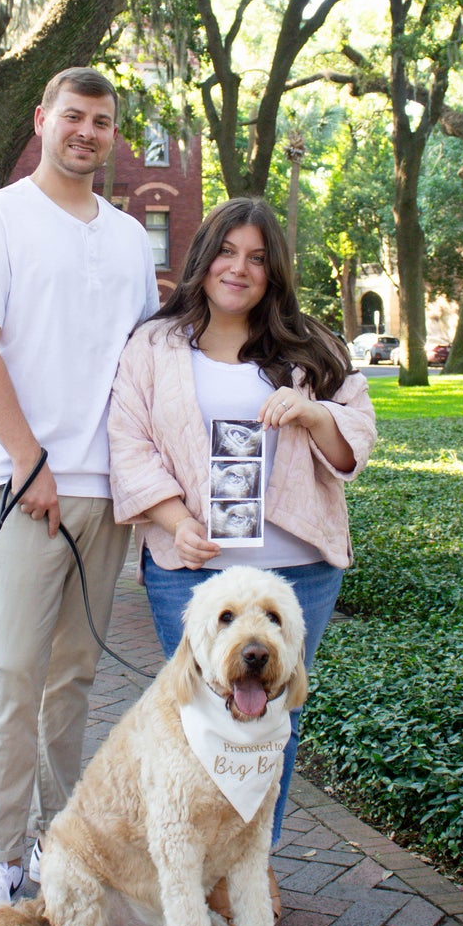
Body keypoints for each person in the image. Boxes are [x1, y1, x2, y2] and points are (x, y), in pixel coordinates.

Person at [0, 68, 158, 926]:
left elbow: (143, 360)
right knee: (13, 677)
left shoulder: (131, 237)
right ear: (42, 121)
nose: (87, 133)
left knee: (73, 681)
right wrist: (30, 463)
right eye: (74, 117)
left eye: (103, 122)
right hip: (22, 488)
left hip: (105, 494)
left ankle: (63, 851)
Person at [108, 196, 377, 877]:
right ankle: (193, 871)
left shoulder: (311, 348)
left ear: (274, 272)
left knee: (271, 725)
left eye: (258, 258)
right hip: (192, 570)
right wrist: (175, 522)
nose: (240, 268)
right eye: (228, 252)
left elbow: (355, 440)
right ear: (203, 259)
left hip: (298, 572)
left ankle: (253, 874)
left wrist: (313, 415)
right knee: (201, 724)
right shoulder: (155, 345)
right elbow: (129, 441)